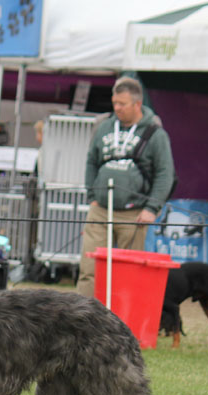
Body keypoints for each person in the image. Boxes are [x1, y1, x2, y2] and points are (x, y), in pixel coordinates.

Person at [76, 76, 175, 298]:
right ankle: (81, 322)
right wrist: (92, 195)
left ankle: (124, 322)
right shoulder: (104, 127)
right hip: (100, 209)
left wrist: (151, 208)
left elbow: (165, 174)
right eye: (115, 103)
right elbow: (92, 161)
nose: (117, 108)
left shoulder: (155, 134)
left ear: (137, 104)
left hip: (134, 213)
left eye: (122, 104)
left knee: (127, 271)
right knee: (89, 269)